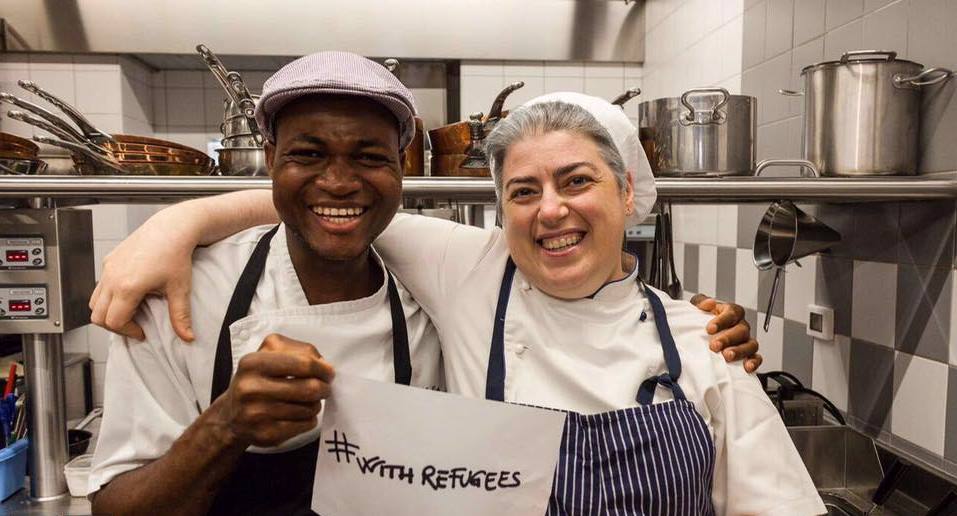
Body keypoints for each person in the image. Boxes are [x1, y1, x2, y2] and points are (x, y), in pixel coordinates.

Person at [90, 93, 819, 513]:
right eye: (523, 191)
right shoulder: (469, 268)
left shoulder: (702, 341)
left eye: (577, 182)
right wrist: (175, 224)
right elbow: (328, 199)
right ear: (501, 212)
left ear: (628, 192)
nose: (550, 211)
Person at [88, 52, 445, 515]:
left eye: (370, 157)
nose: (339, 182)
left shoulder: (434, 293)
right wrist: (225, 426)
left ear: (401, 167)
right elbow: (114, 507)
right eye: (309, 154)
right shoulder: (181, 296)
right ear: (272, 159)